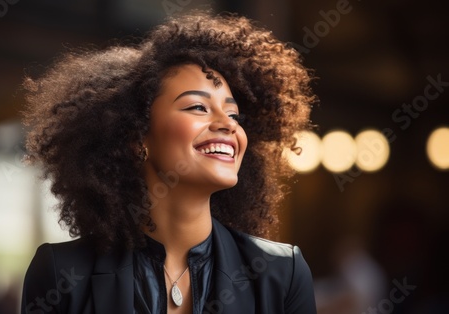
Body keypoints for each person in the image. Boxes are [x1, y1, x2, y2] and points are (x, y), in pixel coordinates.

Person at [21, 11, 317, 314]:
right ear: (137, 137)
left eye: (233, 115)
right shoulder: (61, 273)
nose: (228, 125)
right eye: (198, 107)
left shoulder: (283, 274)